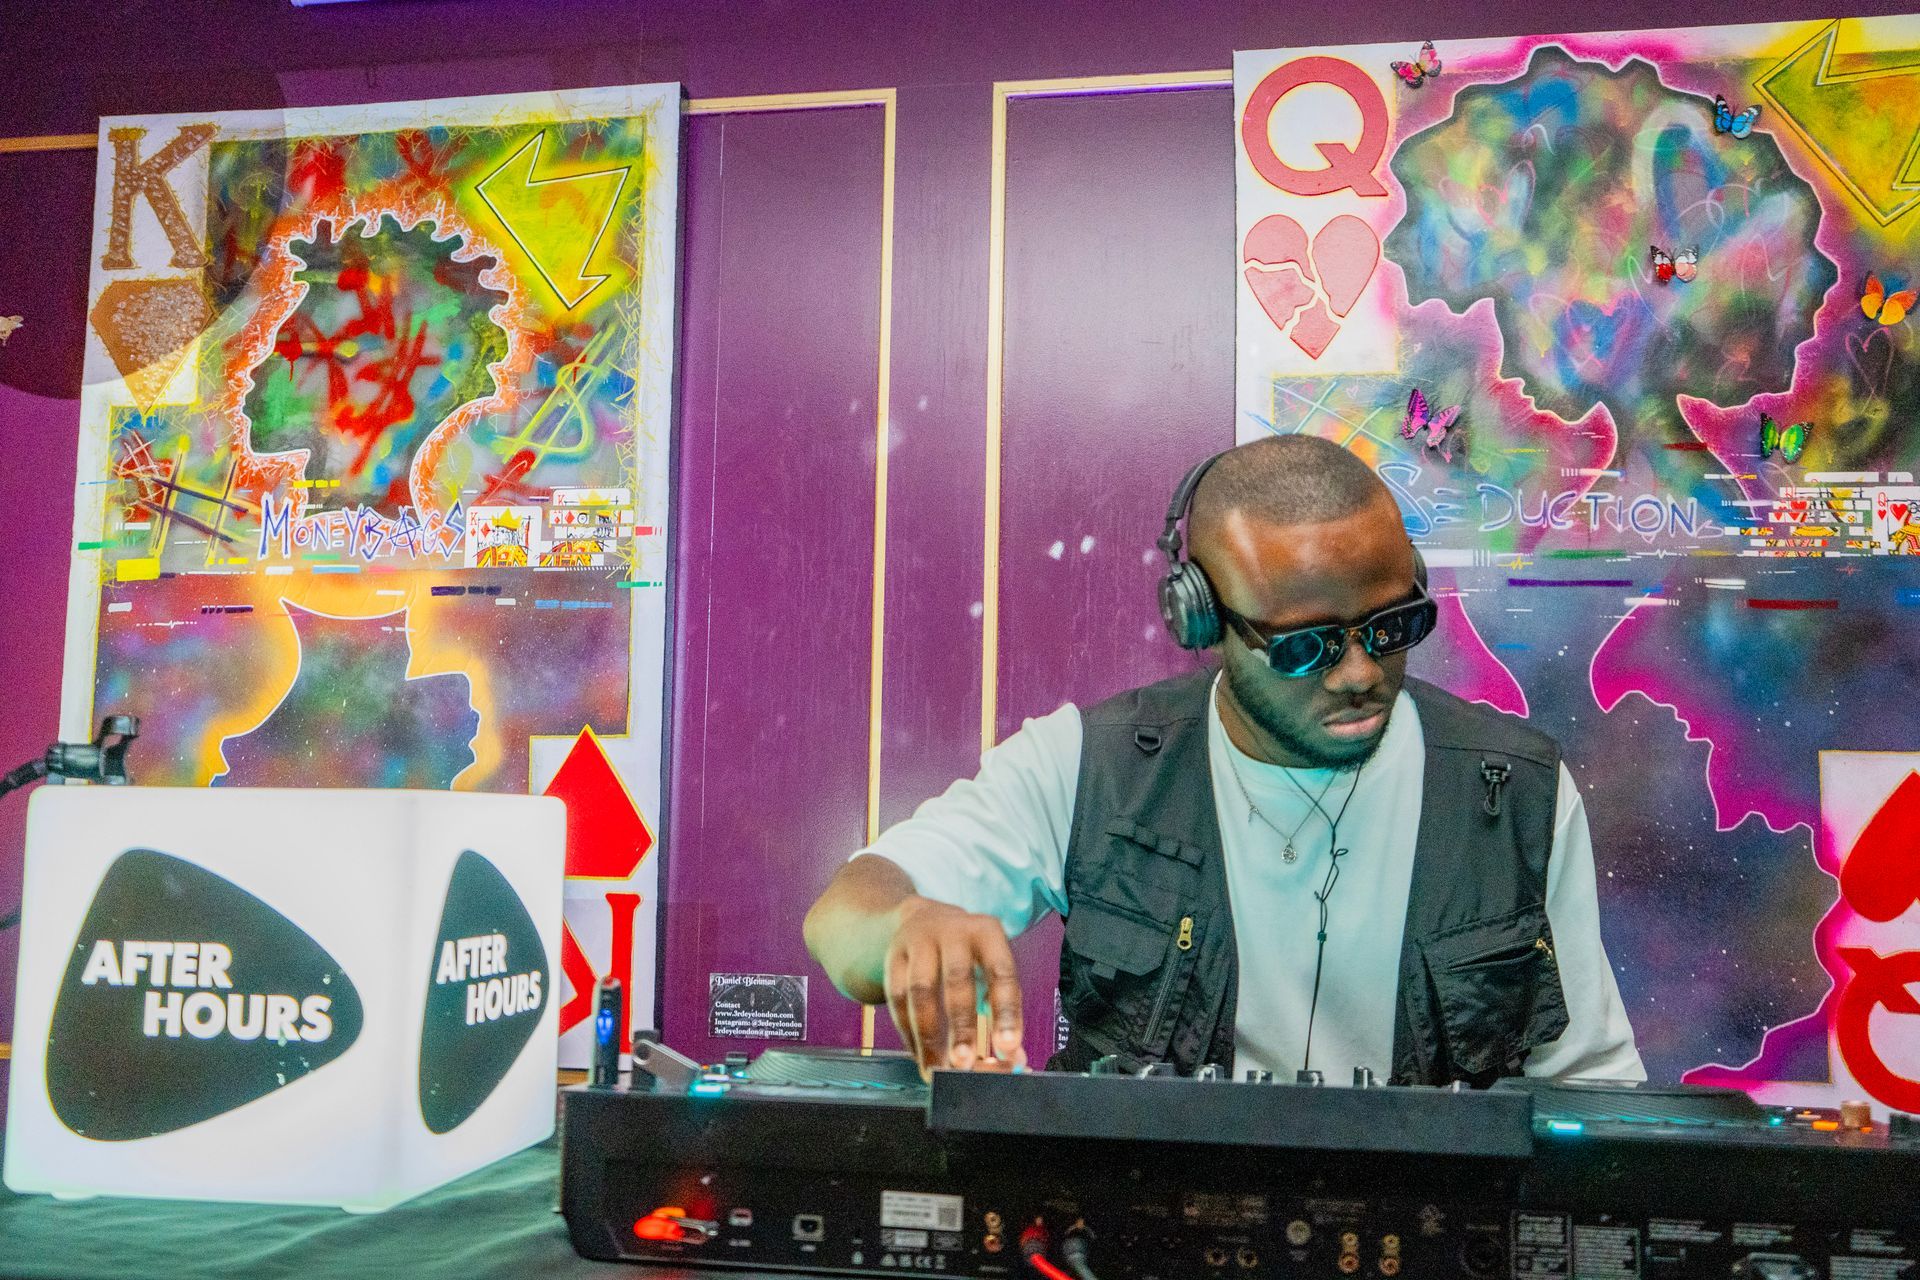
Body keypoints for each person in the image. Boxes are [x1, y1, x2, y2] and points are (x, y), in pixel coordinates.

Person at [805, 435, 1643, 1085]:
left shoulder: (1517, 793)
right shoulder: (1088, 767)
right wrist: (908, 925)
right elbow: (844, 917)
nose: (1359, 676)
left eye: (1392, 629)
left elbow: (1589, 1097)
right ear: (1204, 624)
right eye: (1305, 646)